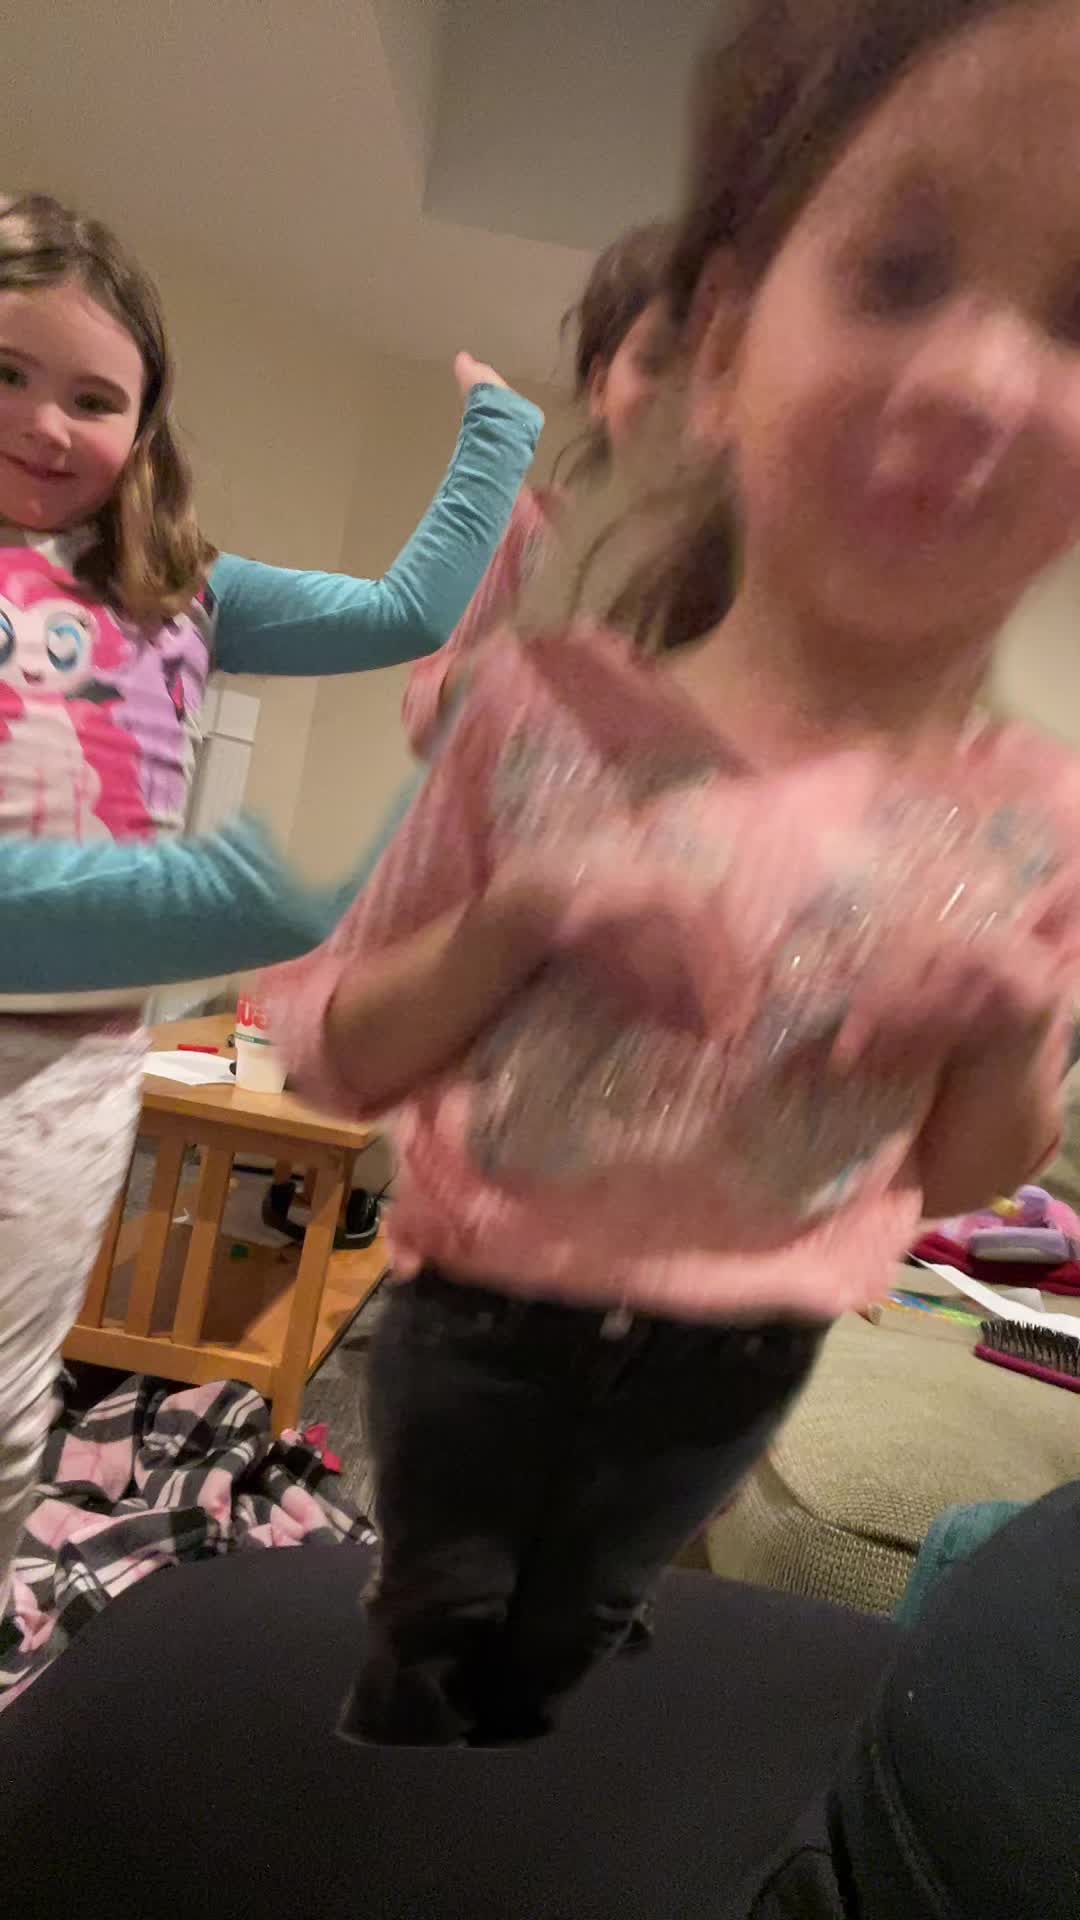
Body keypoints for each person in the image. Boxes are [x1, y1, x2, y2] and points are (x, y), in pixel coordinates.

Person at [270, 0, 1080, 1747]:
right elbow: (327, 1050)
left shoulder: (1047, 820)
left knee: (586, 1634)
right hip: (485, 1314)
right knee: (427, 1653)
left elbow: (970, 1168)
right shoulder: (538, 713)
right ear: (720, 349)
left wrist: (1012, 1025)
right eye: (900, 273)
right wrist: (527, 917)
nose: (983, 378)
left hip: (751, 1349)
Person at [0, 190, 540, 1613]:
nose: (47, 425)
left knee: (6, 1411)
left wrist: (498, 433)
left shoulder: (184, 591)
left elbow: (406, 613)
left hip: (67, 1069)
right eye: (8, 373)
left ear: (143, 427)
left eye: (93, 399)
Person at [401, 222, 673, 756]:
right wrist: (510, 656)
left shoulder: (743, 564)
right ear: (600, 387)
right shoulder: (530, 526)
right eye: (655, 361)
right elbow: (423, 713)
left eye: (710, 367)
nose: (678, 392)